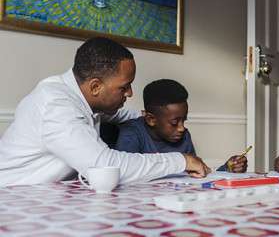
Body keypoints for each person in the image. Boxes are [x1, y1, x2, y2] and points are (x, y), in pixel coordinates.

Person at [0, 37, 211, 186]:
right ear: (95, 87)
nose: (129, 93)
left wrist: (154, 116)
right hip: (13, 200)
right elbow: (105, 166)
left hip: (49, 196)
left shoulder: (82, 100)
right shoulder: (56, 105)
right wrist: (180, 160)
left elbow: (122, 114)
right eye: (124, 86)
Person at [115, 79, 248, 173]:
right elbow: (125, 170)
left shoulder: (184, 136)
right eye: (174, 123)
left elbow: (197, 174)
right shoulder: (133, 132)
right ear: (151, 119)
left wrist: (227, 168)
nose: (181, 128)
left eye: (184, 120)